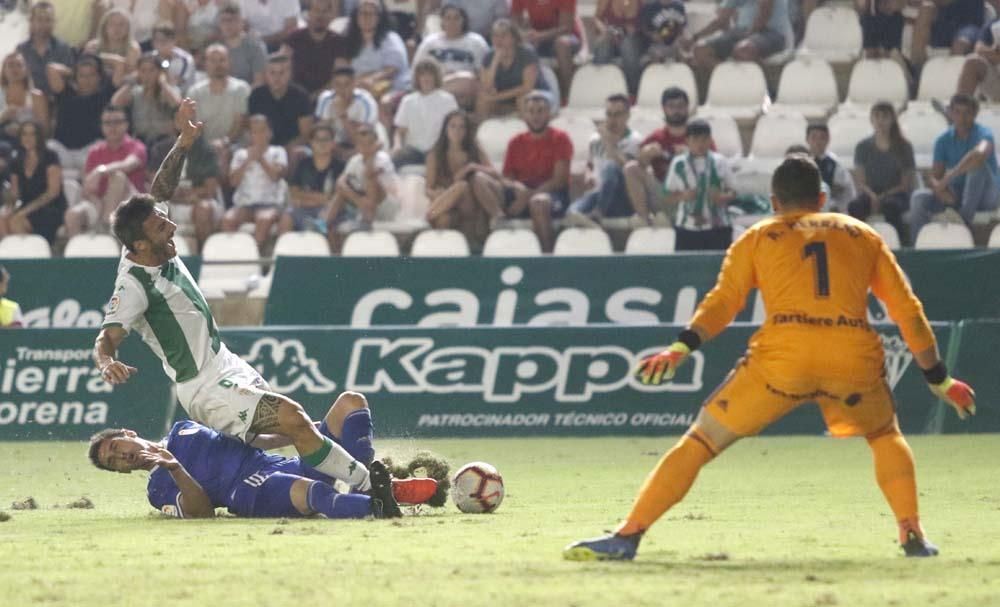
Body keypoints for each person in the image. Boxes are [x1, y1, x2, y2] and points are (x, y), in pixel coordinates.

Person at [564, 153, 978, 562]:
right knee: (885, 434)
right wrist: (939, 379)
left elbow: (724, 301)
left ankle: (628, 535)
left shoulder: (758, 237)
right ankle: (911, 533)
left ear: (774, 202)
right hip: (850, 358)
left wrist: (682, 346)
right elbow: (908, 311)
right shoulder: (862, 235)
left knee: (702, 439)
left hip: (782, 360)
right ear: (821, 198)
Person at [97, 99, 380, 496]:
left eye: (165, 219)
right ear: (140, 245)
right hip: (202, 386)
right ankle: (373, 485)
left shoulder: (148, 229)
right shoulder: (131, 286)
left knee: (282, 432)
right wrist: (107, 361)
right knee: (294, 418)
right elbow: (107, 337)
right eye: (162, 228)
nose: (173, 225)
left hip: (225, 362)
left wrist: (183, 142)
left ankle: (340, 474)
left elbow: (161, 188)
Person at [88, 391, 442, 519]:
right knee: (315, 494)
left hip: (276, 463)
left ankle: (369, 486)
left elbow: (251, 440)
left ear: (129, 434)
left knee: (350, 403)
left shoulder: (183, 428)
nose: (123, 457)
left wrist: (303, 430)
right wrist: (175, 467)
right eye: (114, 461)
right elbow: (202, 512)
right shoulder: (157, 490)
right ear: (121, 472)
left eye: (118, 448)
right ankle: (380, 505)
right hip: (250, 491)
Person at [910, 94, 999, 243]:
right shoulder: (942, 140)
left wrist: (949, 178)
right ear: (950, 113)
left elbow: (979, 154)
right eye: (957, 112)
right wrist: (941, 190)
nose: (962, 118)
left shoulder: (984, 134)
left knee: (978, 168)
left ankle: (962, 221)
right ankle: (917, 246)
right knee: (918, 198)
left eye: (967, 113)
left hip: (985, 196)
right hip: (955, 194)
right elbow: (935, 176)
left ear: (975, 114)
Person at [500, 92, 571, 253]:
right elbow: (507, 178)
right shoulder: (515, 142)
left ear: (549, 114)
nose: (535, 116)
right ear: (524, 114)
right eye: (531, 111)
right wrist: (519, 191)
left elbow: (559, 180)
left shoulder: (560, 139)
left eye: (540, 111)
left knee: (538, 202)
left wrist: (526, 198)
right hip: (522, 193)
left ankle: (547, 261)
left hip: (552, 194)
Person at [425, 109, 505, 250]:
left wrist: (470, 167)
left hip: (471, 201)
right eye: (453, 126)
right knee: (446, 215)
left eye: (462, 127)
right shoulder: (436, 154)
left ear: (467, 130)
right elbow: (428, 188)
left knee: (463, 186)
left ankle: (428, 216)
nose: (457, 131)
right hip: (448, 203)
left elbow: (495, 174)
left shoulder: (474, 149)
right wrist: (442, 195)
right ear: (445, 129)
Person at [565, 94, 648, 228]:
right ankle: (594, 224)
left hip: (623, 198)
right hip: (599, 193)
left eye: (617, 114)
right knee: (572, 212)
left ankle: (598, 213)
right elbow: (590, 164)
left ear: (627, 115)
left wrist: (609, 141)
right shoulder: (595, 139)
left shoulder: (636, 141)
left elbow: (628, 168)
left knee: (610, 167)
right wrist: (588, 175)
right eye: (609, 114)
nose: (612, 119)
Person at [64, 105, 148, 237]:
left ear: (126, 125)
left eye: (117, 122)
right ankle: (77, 254)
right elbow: (87, 187)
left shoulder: (136, 146)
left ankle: (105, 228)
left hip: (130, 203)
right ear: (102, 126)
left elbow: (128, 165)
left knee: (118, 177)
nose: (112, 127)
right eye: (108, 123)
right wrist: (95, 200)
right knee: (73, 215)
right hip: (100, 203)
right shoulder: (95, 152)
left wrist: (100, 171)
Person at [624, 87, 704, 217]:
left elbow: (714, 168)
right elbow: (638, 163)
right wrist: (645, 156)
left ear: (687, 108)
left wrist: (691, 157)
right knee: (630, 168)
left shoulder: (700, 136)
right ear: (664, 109)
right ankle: (645, 222)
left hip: (692, 197)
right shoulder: (656, 137)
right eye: (671, 106)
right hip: (663, 194)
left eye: (680, 106)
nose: (676, 110)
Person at [848, 101, 916, 245]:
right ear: (871, 120)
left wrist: (883, 197)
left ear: (892, 119)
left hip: (896, 194)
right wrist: (873, 197)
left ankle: (901, 246)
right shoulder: (862, 147)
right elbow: (860, 182)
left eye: (885, 117)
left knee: (891, 208)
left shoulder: (904, 147)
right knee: (855, 207)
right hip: (870, 193)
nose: (881, 121)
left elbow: (905, 184)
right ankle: (857, 245)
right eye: (877, 116)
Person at [664, 120, 737, 251]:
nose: (700, 144)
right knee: (686, 269)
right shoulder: (678, 163)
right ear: (687, 141)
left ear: (710, 140)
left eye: (704, 139)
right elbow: (667, 194)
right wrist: (683, 196)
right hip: (687, 228)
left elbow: (733, 191)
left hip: (718, 228)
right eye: (695, 139)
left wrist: (722, 197)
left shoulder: (720, 161)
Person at [326, 122, 400, 250]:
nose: (364, 146)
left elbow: (370, 174)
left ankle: (366, 221)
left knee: (371, 178)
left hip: (386, 205)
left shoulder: (382, 158)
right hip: (365, 203)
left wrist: (372, 154)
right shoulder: (355, 160)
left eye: (368, 143)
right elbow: (340, 183)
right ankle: (325, 223)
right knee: (340, 192)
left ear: (376, 143)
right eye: (360, 143)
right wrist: (360, 202)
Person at [223, 115, 288, 249]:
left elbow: (276, 176)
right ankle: (233, 255)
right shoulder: (240, 154)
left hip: (270, 204)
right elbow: (233, 182)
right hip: (244, 205)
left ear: (269, 133)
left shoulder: (278, 152)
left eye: (262, 131)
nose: (258, 135)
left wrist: (260, 159)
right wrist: (248, 161)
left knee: (263, 219)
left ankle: (254, 258)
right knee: (228, 219)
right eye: (254, 132)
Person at [47, 54, 116, 175]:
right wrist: (73, 71)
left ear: (99, 77)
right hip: (62, 149)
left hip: (89, 151)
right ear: (75, 78)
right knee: (48, 148)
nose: (87, 80)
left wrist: (96, 55)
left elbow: (120, 65)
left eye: (91, 75)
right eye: (82, 76)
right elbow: (52, 69)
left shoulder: (105, 94)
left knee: (101, 148)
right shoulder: (66, 93)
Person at [0, 122, 67, 244]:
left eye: (32, 134)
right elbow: (15, 194)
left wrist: (24, 212)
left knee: (16, 221)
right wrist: (9, 204)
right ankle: (10, 255)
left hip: (49, 208)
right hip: (26, 206)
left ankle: (30, 256)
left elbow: (53, 192)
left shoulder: (50, 156)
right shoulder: (16, 161)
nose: (28, 138)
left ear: (39, 137)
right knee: (2, 219)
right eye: (24, 134)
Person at [411, 4, 489, 109]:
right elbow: (416, 68)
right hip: (435, 80)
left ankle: (433, 96)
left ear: (463, 20)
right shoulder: (430, 42)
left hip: (465, 87)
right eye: (448, 18)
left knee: (467, 79)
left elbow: (483, 73)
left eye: (456, 18)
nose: (452, 22)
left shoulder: (476, 42)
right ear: (442, 21)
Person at [690, 0, 793, 76]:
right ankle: (732, 79)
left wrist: (748, 36)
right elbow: (721, 20)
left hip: (771, 33)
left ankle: (762, 87)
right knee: (700, 50)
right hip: (740, 32)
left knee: (743, 50)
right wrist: (695, 38)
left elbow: (765, 12)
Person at [476, 19, 550, 120]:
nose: (499, 39)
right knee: (483, 101)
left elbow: (527, 87)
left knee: (523, 99)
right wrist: (495, 61)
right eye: (495, 35)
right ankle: (483, 133)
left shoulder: (527, 53)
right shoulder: (489, 56)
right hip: (505, 97)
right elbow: (487, 87)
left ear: (514, 37)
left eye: (503, 35)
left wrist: (496, 97)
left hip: (536, 93)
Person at [279, 123, 344, 235]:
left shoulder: (340, 166)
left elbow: (336, 198)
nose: (322, 143)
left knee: (332, 223)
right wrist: (318, 199)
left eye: (326, 139)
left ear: (333, 143)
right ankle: (284, 250)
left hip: (329, 211)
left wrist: (307, 197)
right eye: (318, 140)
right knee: (287, 216)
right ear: (311, 142)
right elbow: (294, 193)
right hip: (305, 208)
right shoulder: (303, 164)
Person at [392, 60, 458, 168]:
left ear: (436, 77)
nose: (426, 78)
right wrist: (397, 145)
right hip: (414, 151)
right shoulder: (408, 101)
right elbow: (399, 131)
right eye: (422, 74)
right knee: (389, 163)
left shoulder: (448, 100)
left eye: (430, 74)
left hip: (438, 151)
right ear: (417, 78)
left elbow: (455, 127)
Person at [110, 52, 183, 150]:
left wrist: (163, 83)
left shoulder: (169, 91)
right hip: (141, 141)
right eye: (143, 71)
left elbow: (177, 103)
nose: (147, 75)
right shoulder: (135, 92)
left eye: (152, 70)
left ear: (159, 72)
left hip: (165, 141)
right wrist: (131, 82)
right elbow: (115, 102)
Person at [510, 0, 580, 99]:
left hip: (566, 37)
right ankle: (522, 94)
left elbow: (566, 28)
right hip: (537, 37)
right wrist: (523, 34)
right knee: (519, 44)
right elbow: (514, 22)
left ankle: (567, 95)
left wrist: (540, 36)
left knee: (562, 44)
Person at [187, 43, 250, 149]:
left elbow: (240, 122)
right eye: (213, 60)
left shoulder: (241, 88)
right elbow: (192, 124)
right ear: (205, 63)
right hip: (203, 148)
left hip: (234, 146)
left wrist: (224, 142)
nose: (218, 65)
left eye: (222, 60)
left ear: (229, 62)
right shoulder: (195, 92)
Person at [344, 0, 411, 99]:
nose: (366, 17)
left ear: (379, 17)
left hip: (390, 90)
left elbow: (392, 70)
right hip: (357, 89)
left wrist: (370, 79)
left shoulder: (391, 39)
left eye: (371, 14)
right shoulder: (349, 41)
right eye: (362, 13)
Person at [281, 0, 347, 99]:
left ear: (331, 15)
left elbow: (339, 75)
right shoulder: (294, 38)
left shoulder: (339, 42)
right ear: (309, 13)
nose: (320, 15)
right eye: (316, 10)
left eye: (325, 11)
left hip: (327, 97)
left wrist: (317, 95)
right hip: (294, 96)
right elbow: (283, 68)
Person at [314, 66, 383, 158]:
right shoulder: (326, 99)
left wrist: (343, 116)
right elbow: (322, 133)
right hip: (336, 146)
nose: (342, 89)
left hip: (364, 146)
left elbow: (363, 141)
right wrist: (338, 150)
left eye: (346, 84)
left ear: (354, 84)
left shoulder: (366, 102)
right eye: (337, 84)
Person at [249, 54, 314, 149]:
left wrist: (285, 149)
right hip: (263, 146)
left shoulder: (301, 96)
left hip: (292, 146)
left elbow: (306, 134)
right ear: (266, 74)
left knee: (299, 152)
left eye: (282, 73)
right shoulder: (256, 95)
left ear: (290, 74)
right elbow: (250, 128)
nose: (277, 78)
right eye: (272, 73)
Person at [15, 1, 77, 96]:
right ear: (31, 21)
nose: (44, 24)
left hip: (59, 102)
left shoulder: (63, 48)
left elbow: (73, 78)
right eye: (39, 19)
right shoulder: (22, 50)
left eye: (48, 20)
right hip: (31, 102)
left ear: (54, 22)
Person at [591, 0, 646, 96]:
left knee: (627, 45)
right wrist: (604, 30)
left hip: (635, 39)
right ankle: (600, 91)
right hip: (611, 36)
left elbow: (649, 19)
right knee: (603, 45)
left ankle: (632, 93)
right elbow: (596, 19)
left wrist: (634, 29)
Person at [911, 0, 986, 66]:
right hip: (945, 23)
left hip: (968, 24)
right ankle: (917, 67)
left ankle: (953, 77)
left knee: (960, 44)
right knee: (926, 8)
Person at [83, 8, 141, 87]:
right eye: (112, 24)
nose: (117, 28)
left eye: (121, 24)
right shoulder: (93, 45)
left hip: (121, 86)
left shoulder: (133, 48)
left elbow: (133, 72)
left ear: (128, 28)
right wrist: (114, 60)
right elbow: (86, 65)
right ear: (104, 27)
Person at [216, 2, 269, 88]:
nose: (227, 24)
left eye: (231, 20)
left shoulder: (255, 47)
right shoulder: (216, 48)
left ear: (241, 22)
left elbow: (260, 82)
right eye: (223, 21)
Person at [0, 52, 50, 140]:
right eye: (10, 65)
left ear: (26, 70)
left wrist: (23, 129)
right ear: (4, 70)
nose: (15, 69)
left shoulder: (36, 96)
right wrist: (3, 116)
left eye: (19, 65)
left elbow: (44, 130)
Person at [807, 123, 856, 212]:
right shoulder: (802, 161)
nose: (818, 142)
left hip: (832, 203)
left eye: (822, 138)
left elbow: (840, 188)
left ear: (828, 140)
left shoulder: (835, 163)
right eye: (814, 137)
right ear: (807, 140)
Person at [955, 18, 1000, 100]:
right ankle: (960, 106)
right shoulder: (993, 25)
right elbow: (979, 49)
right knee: (972, 61)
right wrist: (995, 54)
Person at [150, 22, 197, 93]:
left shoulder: (185, 59)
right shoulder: (151, 57)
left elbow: (178, 83)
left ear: (174, 41)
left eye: (164, 41)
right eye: (157, 40)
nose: (161, 44)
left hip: (183, 96)